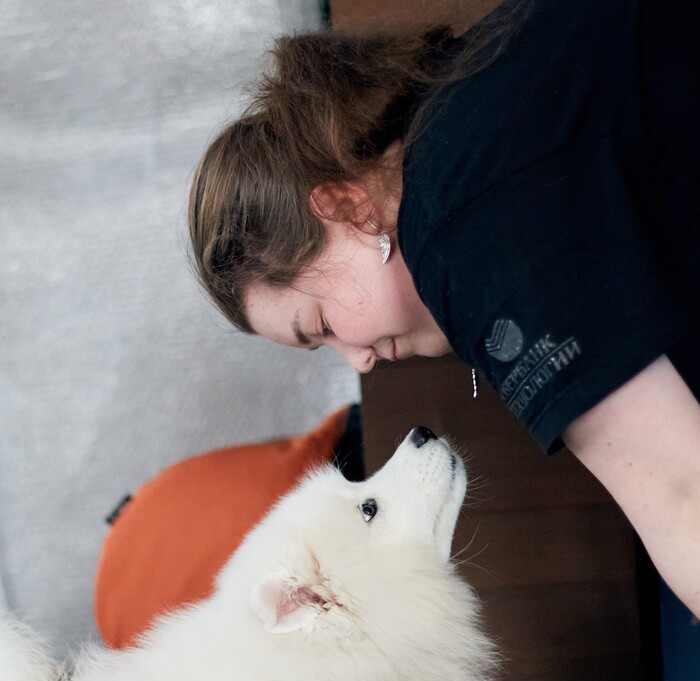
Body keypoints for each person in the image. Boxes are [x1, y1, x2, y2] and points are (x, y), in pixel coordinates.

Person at [188, 0, 700, 621]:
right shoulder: (467, 114)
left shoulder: (462, 226)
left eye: (321, 325)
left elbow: (684, 496)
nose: (360, 360)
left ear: (345, 207)